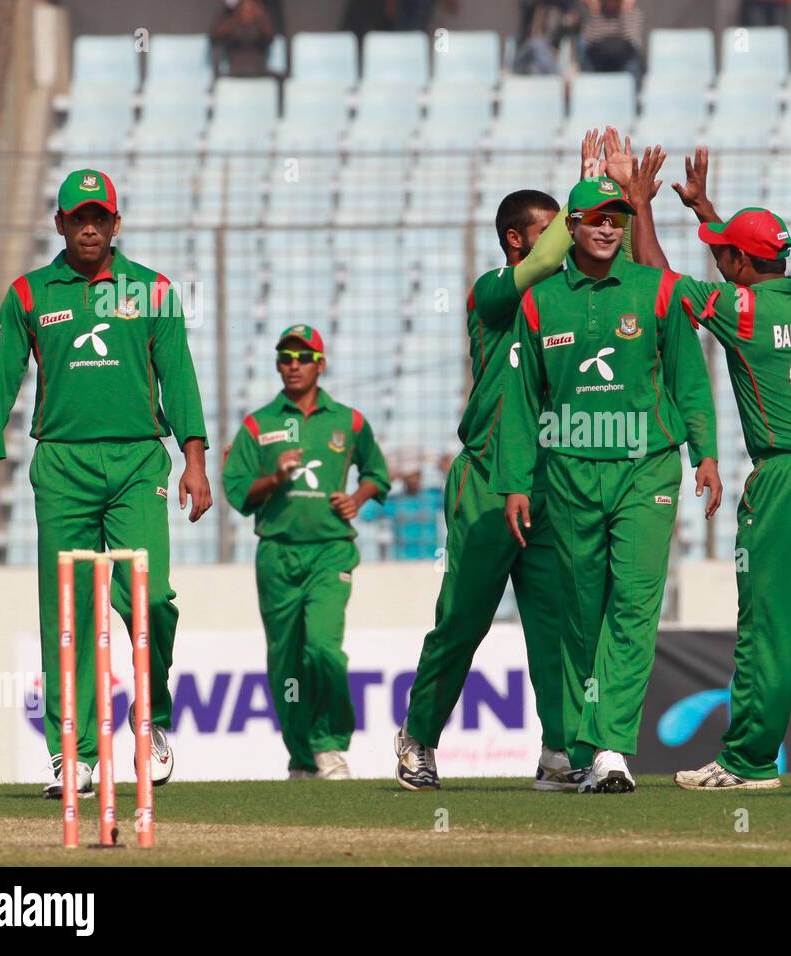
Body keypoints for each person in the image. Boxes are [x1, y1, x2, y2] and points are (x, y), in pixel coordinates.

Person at [623, 145, 791, 791]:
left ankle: (748, 762)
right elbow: (739, 262)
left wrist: (642, 209)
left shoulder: (742, 311)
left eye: (727, 254)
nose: (722, 259)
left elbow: (661, 280)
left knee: (768, 625)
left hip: (787, 478)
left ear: (738, 264)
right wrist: (707, 212)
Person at [0, 168, 211, 798]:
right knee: (68, 612)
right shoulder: (29, 293)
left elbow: (178, 376)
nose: (91, 227)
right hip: (62, 464)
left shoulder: (153, 291)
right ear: (61, 224)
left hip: (138, 463)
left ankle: (149, 719)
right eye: (79, 218)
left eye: (100, 217)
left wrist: (196, 458)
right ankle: (74, 756)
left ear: (117, 224)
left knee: (149, 600)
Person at [495, 169, 722, 795]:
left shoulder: (660, 291)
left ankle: (613, 749)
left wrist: (705, 451)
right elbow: (519, 399)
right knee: (578, 613)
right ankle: (575, 746)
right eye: (594, 218)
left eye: (616, 218)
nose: (605, 227)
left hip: (646, 466)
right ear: (570, 228)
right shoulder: (539, 300)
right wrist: (516, 480)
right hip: (566, 470)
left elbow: (689, 379)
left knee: (634, 604)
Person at [394, 132, 607, 792]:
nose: (568, 242)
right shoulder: (492, 292)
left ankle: (560, 751)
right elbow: (547, 261)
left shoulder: (567, 302)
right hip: (489, 475)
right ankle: (418, 740)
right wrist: (582, 208)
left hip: (551, 476)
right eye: (553, 232)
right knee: (462, 620)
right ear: (518, 241)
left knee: (559, 623)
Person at [222, 324, 390, 780]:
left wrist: (357, 498)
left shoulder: (349, 421)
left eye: (302, 356)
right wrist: (274, 479)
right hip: (277, 554)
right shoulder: (259, 423)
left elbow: (378, 473)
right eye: (284, 357)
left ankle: (330, 743)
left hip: (331, 552)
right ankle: (301, 758)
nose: (292, 364)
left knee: (323, 649)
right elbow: (237, 490)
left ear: (320, 363)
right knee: (286, 663)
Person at [579, 0, 645, 82]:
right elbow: (589, 40)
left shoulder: (631, 12)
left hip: (624, 57)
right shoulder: (593, 12)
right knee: (586, 57)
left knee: (635, 60)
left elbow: (632, 38)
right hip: (597, 58)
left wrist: (626, 13)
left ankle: (633, 92)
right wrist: (594, 12)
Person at [211, 0, 276, 78]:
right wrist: (230, 15)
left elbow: (270, 37)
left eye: (251, 7)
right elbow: (215, 38)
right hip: (235, 69)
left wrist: (261, 16)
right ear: (239, 8)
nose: (248, 10)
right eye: (245, 7)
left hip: (259, 69)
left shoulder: (261, 25)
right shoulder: (232, 24)